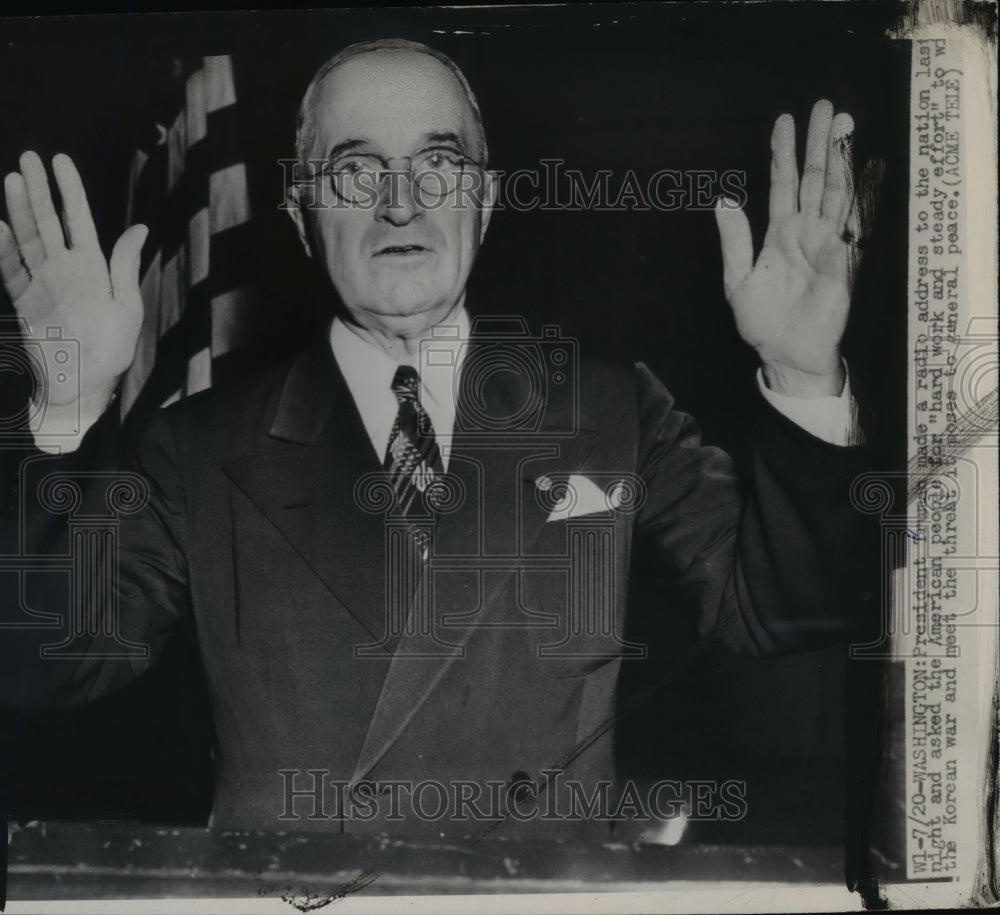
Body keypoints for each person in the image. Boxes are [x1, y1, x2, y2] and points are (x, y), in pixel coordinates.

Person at [0, 38, 875, 839]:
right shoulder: (194, 447)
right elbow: (39, 665)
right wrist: (67, 406)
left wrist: (803, 376)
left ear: (486, 202)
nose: (401, 202)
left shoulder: (611, 409)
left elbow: (783, 614)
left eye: (439, 163)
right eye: (354, 170)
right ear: (302, 214)